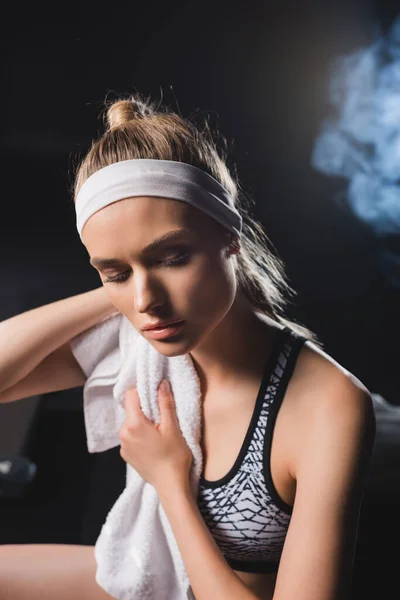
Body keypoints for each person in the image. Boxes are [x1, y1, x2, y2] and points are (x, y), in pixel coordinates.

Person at [0, 93, 376, 600]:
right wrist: (115, 292)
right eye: (115, 271)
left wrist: (169, 482)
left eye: (172, 257)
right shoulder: (139, 337)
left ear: (230, 236)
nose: (147, 301)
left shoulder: (329, 405)